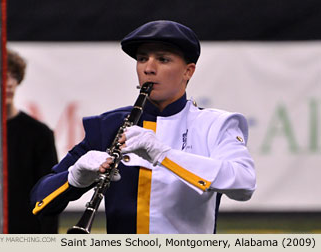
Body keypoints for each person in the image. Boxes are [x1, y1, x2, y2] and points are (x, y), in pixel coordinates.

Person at [30, 20, 256, 234]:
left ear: (188, 71)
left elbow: (244, 183)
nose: (148, 68)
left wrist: (164, 155)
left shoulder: (215, 125)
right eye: (142, 58)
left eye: (163, 59)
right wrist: (74, 178)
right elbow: (39, 200)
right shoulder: (108, 126)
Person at [6, 49, 59, 233]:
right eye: (1, 75)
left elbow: (50, 194)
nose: (9, 83)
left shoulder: (39, 134)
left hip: (26, 234)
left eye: (13, 76)